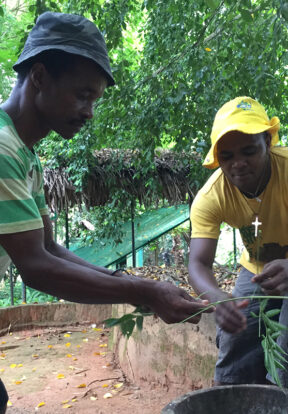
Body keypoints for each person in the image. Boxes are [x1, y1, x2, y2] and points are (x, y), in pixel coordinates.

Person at [0, 11, 212, 413]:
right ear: (40, 77)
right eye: (82, 95)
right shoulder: (2, 150)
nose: (90, 112)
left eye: (94, 99)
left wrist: (123, 281)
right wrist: (142, 291)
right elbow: (35, 267)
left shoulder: (24, 154)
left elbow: (50, 247)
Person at [188, 96, 288, 388]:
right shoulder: (211, 197)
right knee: (235, 337)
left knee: (284, 347)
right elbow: (198, 263)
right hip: (256, 268)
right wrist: (216, 297)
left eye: (249, 151)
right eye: (227, 156)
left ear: (267, 143)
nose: (238, 164)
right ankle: (232, 397)